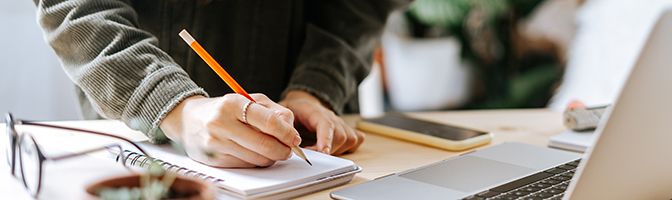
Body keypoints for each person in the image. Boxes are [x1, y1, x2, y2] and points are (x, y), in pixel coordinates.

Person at [33, 0, 407, 168]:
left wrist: (314, 86)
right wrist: (177, 108)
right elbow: (75, 7)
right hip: (135, 135)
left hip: (312, 132)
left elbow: (363, 5)